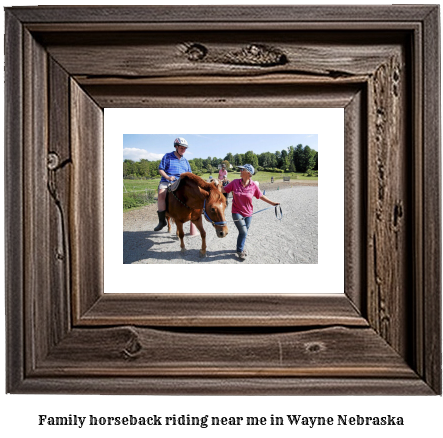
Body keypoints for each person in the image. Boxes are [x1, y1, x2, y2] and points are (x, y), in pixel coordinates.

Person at [222, 164, 280, 259]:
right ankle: (240, 251)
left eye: (242, 170)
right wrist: (211, 187)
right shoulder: (235, 182)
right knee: (244, 231)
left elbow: (261, 196)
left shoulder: (253, 185)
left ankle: (238, 248)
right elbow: (224, 189)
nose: (240, 171)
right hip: (236, 212)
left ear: (248, 173)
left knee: (243, 232)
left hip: (249, 214)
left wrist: (273, 203)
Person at [154, 137, 192, 231]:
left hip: (181, 182)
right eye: (181, 148)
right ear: (176, 147)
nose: (183, 150)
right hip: (167, 181)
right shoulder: (167, 156)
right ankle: (162, 221)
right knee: (161, 194)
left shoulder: (185, 161)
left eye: (185, 149)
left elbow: (189, 173)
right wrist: (167, 177)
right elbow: (160, 169)